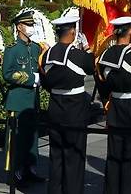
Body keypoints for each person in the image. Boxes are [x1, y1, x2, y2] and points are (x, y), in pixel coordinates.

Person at [40, 15, 95, 194]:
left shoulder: (47, 55)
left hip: (55, 108)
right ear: (73, 31)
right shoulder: (78, 55)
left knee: (56, 156)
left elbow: (45, 83)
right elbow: (91, 66)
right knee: (74, 157)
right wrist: (88, 49)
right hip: (75, 110)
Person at [97, 16, 131, 194]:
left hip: (115, 106)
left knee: (114, 154)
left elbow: (102, 85)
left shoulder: (104, 56)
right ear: (130, 32)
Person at [2, 10, 46, 186]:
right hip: (18, 100)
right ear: (19, 27)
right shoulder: (12, 49)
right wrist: (30, 79)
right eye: (28, 25)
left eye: (32, 25)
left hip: (32, 101)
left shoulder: (36, 48)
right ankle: (16, 172)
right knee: (17, 139)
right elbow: (7, 73)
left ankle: (31, 169)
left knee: (32, 137)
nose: (31, 28)